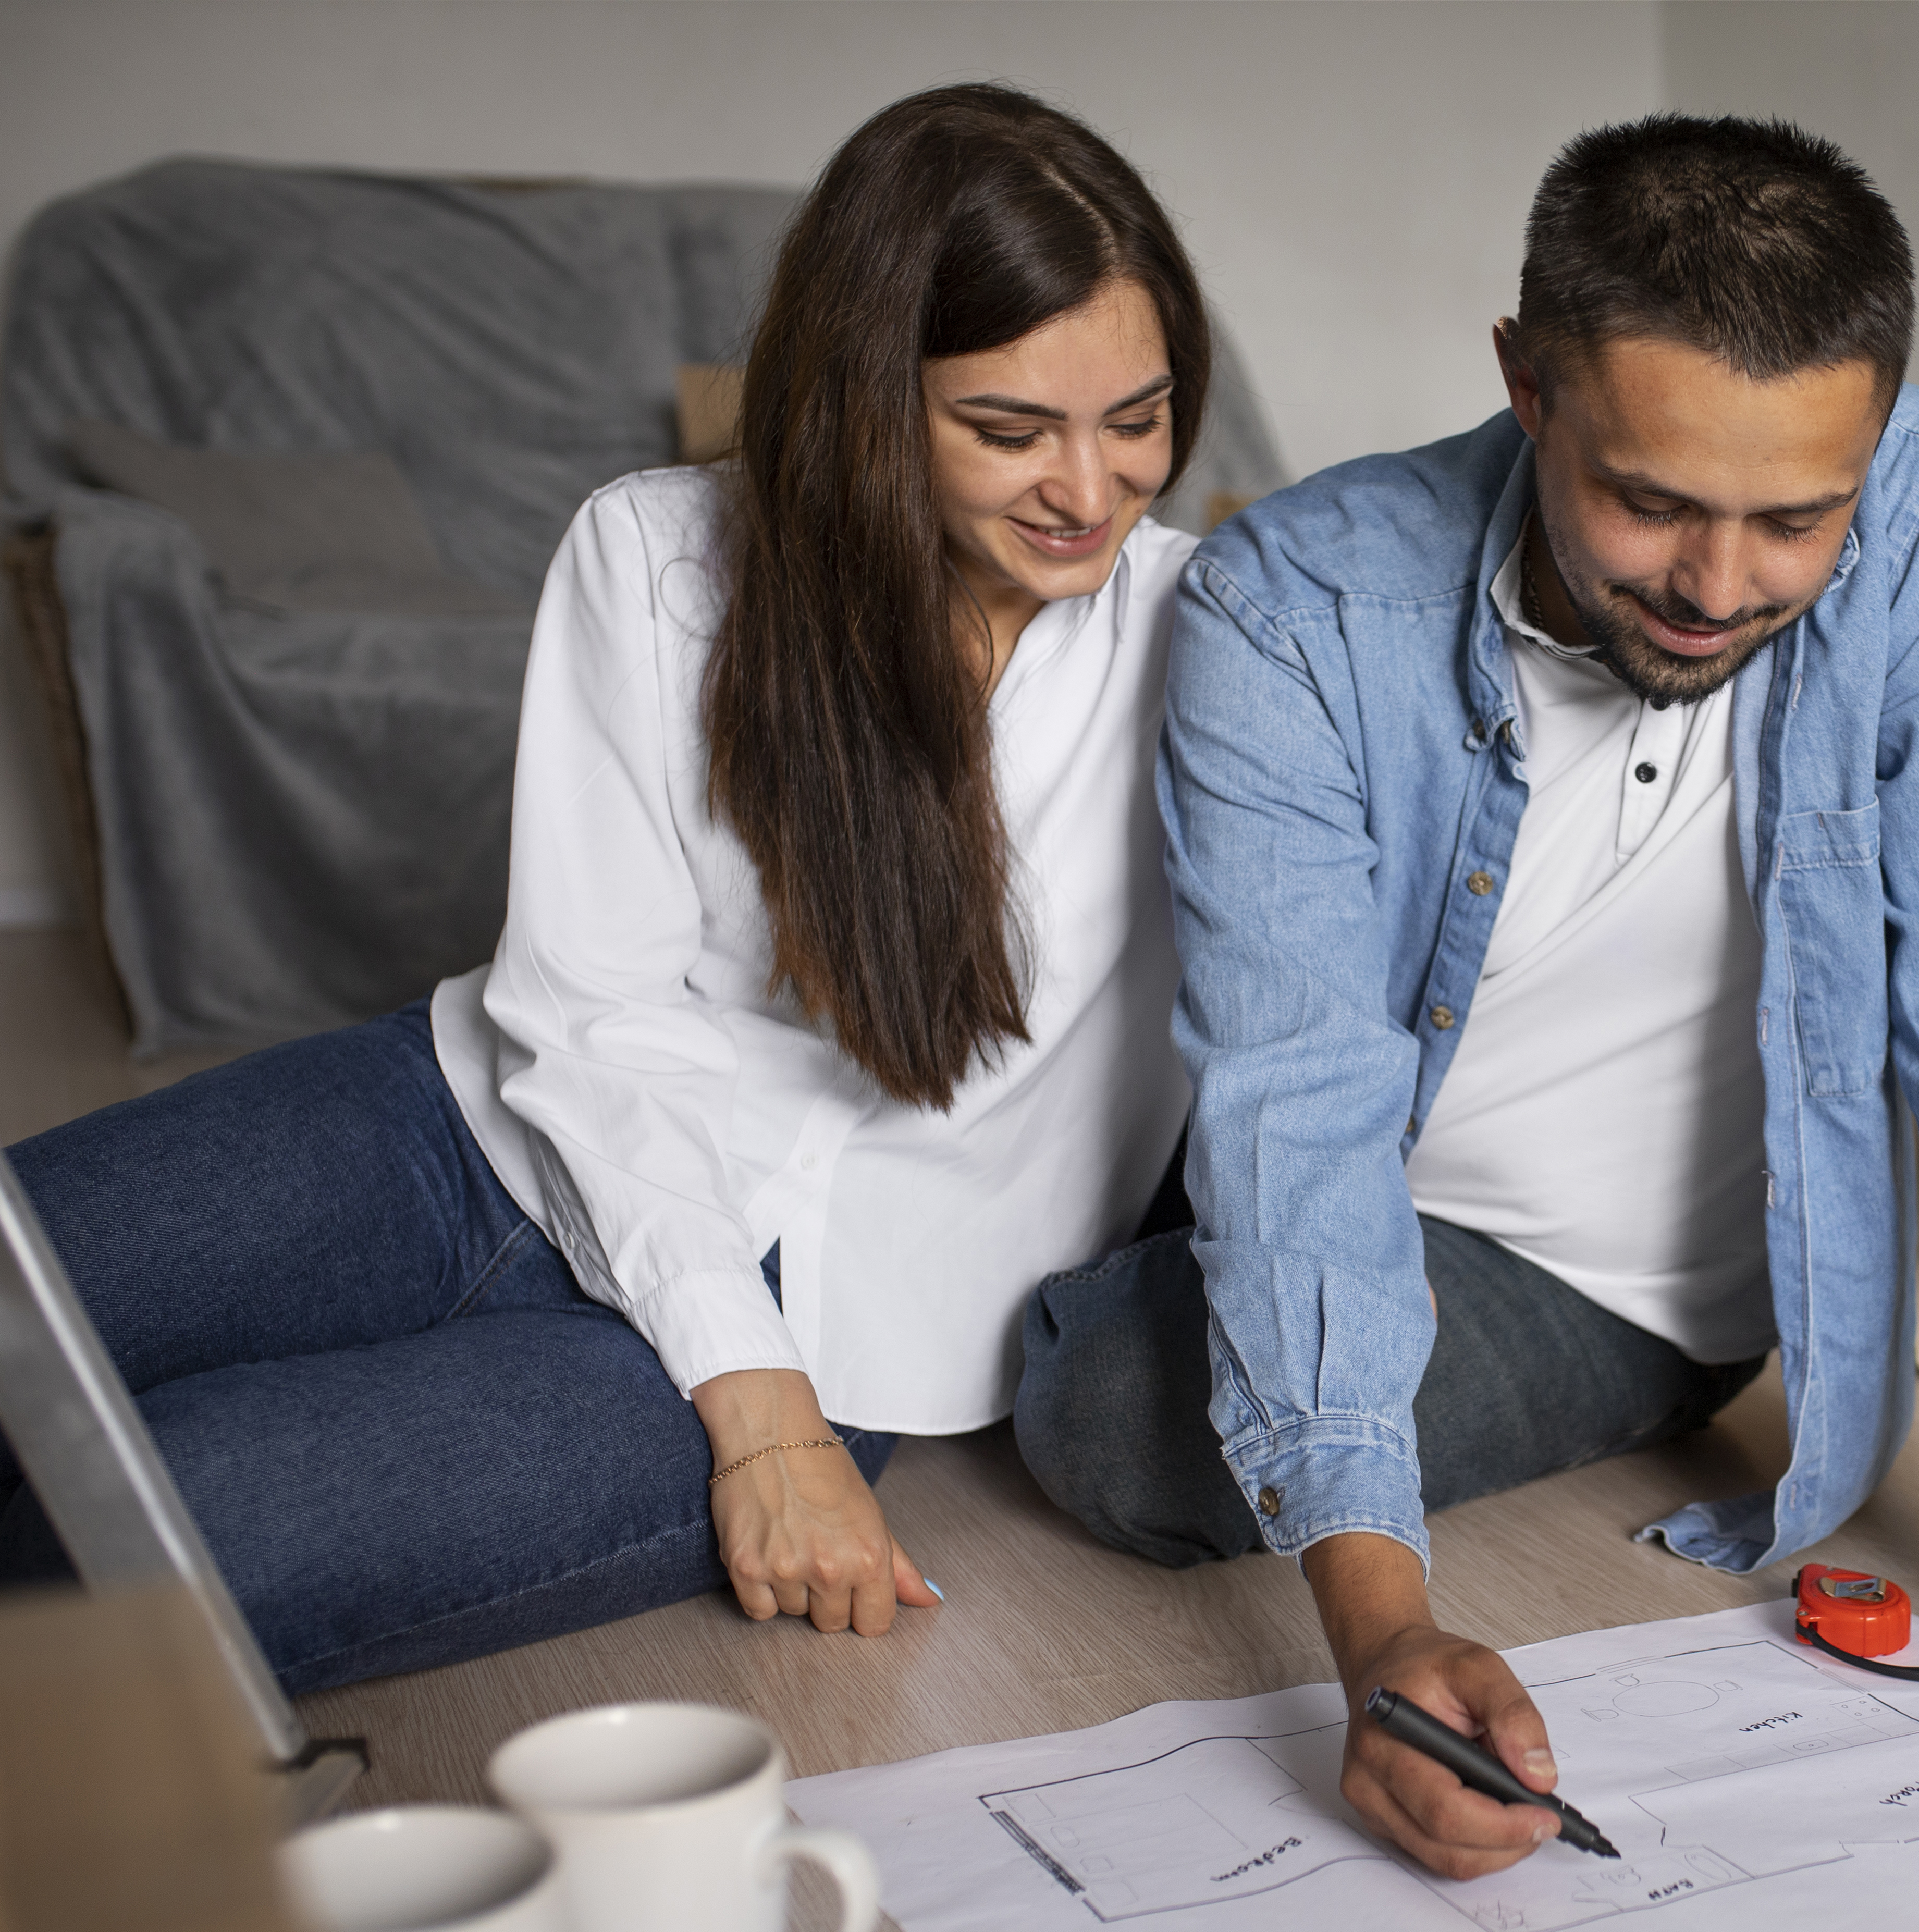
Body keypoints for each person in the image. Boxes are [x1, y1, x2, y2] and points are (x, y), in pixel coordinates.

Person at [1016, 114, 1919, 1881]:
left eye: (1798, 517)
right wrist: (1382, 1630)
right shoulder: (1298, 600)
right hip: (1380, 1172)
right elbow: (1298, 1088)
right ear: (1526, 384)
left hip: (1615, 1282)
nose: (1720, 589)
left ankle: (1547, 1369)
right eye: (1650, 502)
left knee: (1106, 1402)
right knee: (1115, 1367)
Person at [0, 83, 1210, 1693]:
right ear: (865, 398)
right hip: (468, 1119)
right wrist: (760, 1418)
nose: (1090, 488)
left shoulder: (1219, 639)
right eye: (1009, 429)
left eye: (1136, 417)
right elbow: (589, 1009)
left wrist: (764, 1407)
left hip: (827, 1301)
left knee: (108, 1561)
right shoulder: (660, 555)